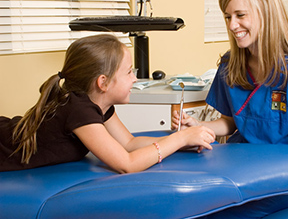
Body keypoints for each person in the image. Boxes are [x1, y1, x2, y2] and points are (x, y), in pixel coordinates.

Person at [172, 0, 288, 218]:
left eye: (240, 15)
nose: (232, 25)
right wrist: (200, 127)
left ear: (267, 15)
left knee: (218, 212)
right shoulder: (230, 64)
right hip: (239, 166)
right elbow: (230, 121)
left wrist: (263, 174)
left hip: (284, 176)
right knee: (188, 200)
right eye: (228, 17)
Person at [0, 34, 215, 173]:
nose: (135, 79)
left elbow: (129, 143)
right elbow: (127, 164)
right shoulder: (79, 110)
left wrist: (180, 142)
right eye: (129, 72)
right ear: (103, 82)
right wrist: (179, 138)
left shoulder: (99, 105)